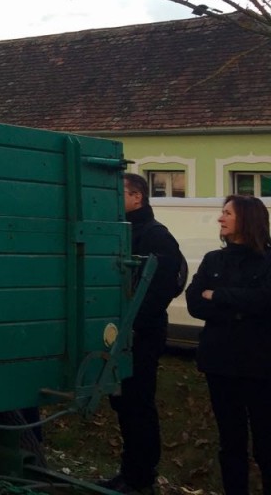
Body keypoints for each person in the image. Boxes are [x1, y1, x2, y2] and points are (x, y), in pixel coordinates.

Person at [99, 173, 186, 495]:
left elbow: (162, 286)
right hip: (117, 334)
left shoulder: (155, 235)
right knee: (123, 404)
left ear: (138, 197)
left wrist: (134, 323)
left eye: (118, 191)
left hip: (141, 335)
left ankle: (141, 476)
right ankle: (130, 471)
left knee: (138, 404)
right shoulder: (117, 231)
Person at [186, 195, 271, 495]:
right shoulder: (213, 259)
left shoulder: (267, 261)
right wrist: (240, 306)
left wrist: (219, 296)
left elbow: (264, 301)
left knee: (266, 442)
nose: (220, 219)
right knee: (230, 441)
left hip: (260, 367)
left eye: (227, 213)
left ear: (247, 219)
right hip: (220, 364)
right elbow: (195, 302)